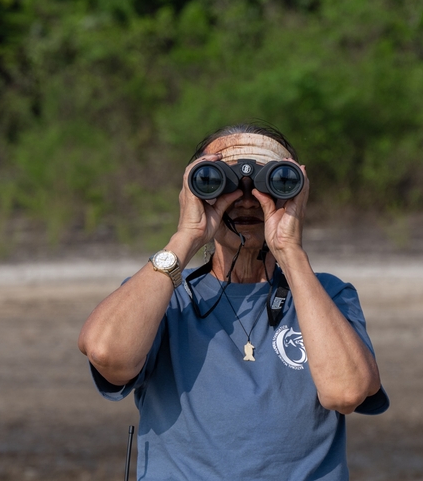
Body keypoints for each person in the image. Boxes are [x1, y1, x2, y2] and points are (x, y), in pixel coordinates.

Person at [78, 123, 388, 480]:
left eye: (267, 184)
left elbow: (346, 391)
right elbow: (106, 353)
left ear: (295, 192)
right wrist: (186, 236)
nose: (245, 200)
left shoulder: (327, 296)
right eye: (220, 181)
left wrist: (290, 251)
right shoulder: (163, 298)